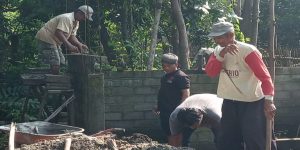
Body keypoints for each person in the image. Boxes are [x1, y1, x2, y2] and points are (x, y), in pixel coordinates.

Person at [205, 21, 277, 150]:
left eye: (219, 37)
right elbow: (211, 72)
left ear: (231, 35)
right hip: (229, 102)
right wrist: (221, 55)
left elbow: (265, 77)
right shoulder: (217, 51)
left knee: (255, 139)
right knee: (229, 139)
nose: (217, 40)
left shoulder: (248, 51)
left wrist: (269, 100)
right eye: (215, 38)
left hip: (252, 102)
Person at [35, 5, 93, 74]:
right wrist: (69, 46)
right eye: (84, 17)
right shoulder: (67, 18)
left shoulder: (76, 22)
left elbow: (71, 36)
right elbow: (58, 33)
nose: (84, 19)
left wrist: (79, 44)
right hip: (46, 38)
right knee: (55, 63)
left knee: (63, 63)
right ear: (79, 13)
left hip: (54, 41)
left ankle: (55, 76)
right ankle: (53, 81)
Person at [153, 53, 190, 145]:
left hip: (175, 111)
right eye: (164, 66)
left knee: (176, 133)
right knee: (168, 133)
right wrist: (158, 105)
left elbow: (186, 94)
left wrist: (180, 110)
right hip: (165, 111)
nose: (165, 68)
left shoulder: (181, 76)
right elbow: (162, 93)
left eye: (168, 66)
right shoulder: (164, 77)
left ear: (176, 64)